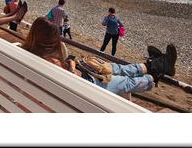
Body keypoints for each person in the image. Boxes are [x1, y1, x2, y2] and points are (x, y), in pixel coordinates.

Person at [23, 17, 177, 95]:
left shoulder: (25, 52)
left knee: (118, 68)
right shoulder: (51, 62)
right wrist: (71, 67)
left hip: (85, 77)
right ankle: (155, 72)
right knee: (125, 79)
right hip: (88, 85)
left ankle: (156, 63)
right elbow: (69, 81)